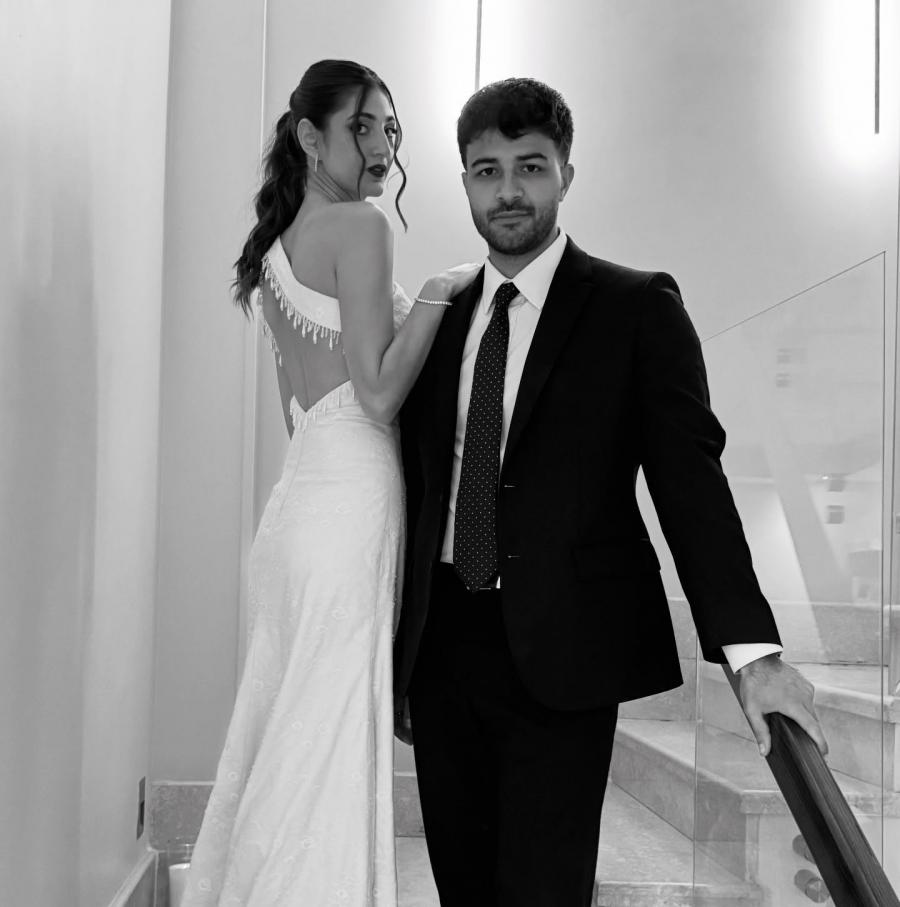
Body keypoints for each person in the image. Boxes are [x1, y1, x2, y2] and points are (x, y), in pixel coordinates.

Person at [393, 77, 828, 907]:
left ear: (566, 172)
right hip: (443, 650)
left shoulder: (635, 307)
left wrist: (754, 655)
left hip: (564, 651)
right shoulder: (441, 315)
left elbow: (691, 483)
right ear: (465, 182)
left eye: (530, 166)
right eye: (487, 171)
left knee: (545, 891)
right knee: (461, 886)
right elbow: (411, 488)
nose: (508, 190)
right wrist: (393, 652)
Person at [180, 59, 477, 907]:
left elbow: (300, 411)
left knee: (290, 729)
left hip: (299, 510)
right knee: (329, 738)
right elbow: (377, 396)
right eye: (362, 126)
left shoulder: (273, 252)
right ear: (311, 137)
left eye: (390, 127)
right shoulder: (361, 227)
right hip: (348, 511)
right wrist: (437, 293)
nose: (383, 145)